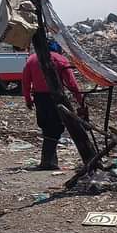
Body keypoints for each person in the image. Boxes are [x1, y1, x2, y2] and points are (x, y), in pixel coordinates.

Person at [22, 40, 86, 170]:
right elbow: (72, 84)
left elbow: (25, 82)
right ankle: (48, 161)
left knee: (47, 128)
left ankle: (49, 160)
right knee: (56, 129)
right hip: (56, 97)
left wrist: (28, 100)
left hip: (40, 98)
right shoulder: (60, 59)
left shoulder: (32, 59)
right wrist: (80, 101)